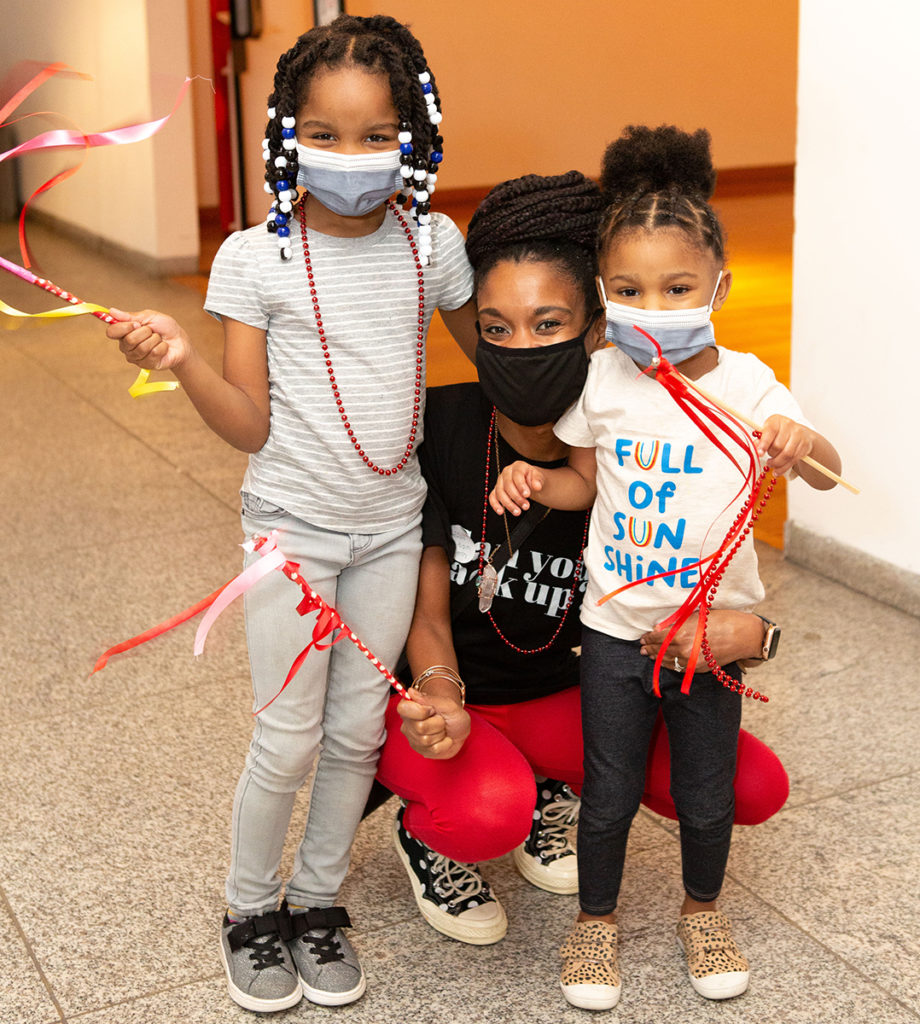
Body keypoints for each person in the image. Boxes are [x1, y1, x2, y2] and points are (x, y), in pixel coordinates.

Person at [106, 15, 477, 1014]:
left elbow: (504, 356)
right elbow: (245, 423)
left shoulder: (431, 246)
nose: (348, 157)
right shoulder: (252, 259)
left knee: (357, 734)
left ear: (413, 136)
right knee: (286, 735)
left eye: (372, 134)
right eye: (322, 132)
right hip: (292, 535)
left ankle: (316, 902)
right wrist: (180, 360)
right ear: (285, 135)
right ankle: (247, 910)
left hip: (393, 530)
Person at [374, 171, 789, 952]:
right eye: (495, 329)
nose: (520, 349)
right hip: (448, 696)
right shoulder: (439, 427)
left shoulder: (629, 448)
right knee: (483, 814)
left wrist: (759, 635)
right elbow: (424, 617)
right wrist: (439, 695)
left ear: (600, 325)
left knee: (750, 785)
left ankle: (549, 789)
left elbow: (707, 582)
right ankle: (432, 828)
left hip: (571, 694)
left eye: (549, 323)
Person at [490, 127, 841, 1010]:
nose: (656, 304)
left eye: (677, 288)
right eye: (632, 290)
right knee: (607, 791)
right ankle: (595, 925)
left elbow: (828, 471)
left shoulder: (753, 386)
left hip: (710, 635)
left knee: (705, 791)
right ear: (606, 296)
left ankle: (703, 911)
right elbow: (581, 479)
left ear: (717, 287)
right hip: (616, 631)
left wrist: (806, 444)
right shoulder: (604, 378)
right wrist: (537, 479)